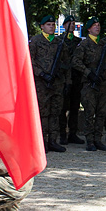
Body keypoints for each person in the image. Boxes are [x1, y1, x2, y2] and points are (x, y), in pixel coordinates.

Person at [72, 17, 106, 151]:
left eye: (98, 25)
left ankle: (98, 139)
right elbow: (76, 62)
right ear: (88, 28)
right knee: (90, 112)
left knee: (101, 112)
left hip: (103, 83)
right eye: (94, 25)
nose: (97, 27)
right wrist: (88, 73)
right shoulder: (84, 44)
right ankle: (89, 140)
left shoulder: (103, 44)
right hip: (89, 84)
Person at [29, 15, 65, 153]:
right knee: (43, 113)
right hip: (42, 83)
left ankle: (53, 141)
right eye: (48, 24)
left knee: (55, 112)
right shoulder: (36, 41)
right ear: (42, 26)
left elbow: (64, 62)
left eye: (53, 24)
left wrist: (63, 79)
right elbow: (30, 61)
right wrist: (41, 74)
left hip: (56, 83)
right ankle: (41, 141)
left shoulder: (58, 42)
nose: (51, 27)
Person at [58, 15, 84, 145]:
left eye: (74, 23)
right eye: (70, 23)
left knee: (75, 107)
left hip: (76, 78)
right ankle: (63, 133)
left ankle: (73, 133)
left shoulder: (78, 41)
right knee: (63, 107)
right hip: (63, 79)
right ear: (64, 25)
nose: (72, 25)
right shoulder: (59, 41)